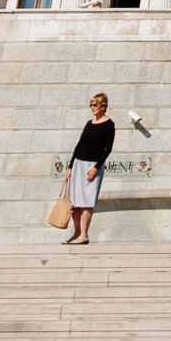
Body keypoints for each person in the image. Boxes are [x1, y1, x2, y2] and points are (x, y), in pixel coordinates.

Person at [62, 93, 115, 246]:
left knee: (87, 201)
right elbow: (79, 145)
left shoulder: (109, 124)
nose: (92, 108)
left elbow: (108, 149)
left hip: (93, 166)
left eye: (95, 105)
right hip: (79, 163)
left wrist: (96, 167)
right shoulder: (89, 123)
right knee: (75, 202)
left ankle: (84, 234)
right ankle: (77, 233)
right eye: (91, 105)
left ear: (103, 106)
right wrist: (70, 166)